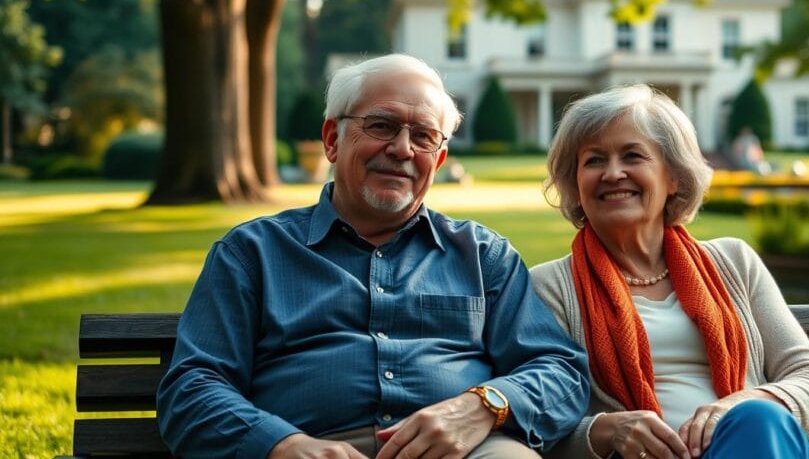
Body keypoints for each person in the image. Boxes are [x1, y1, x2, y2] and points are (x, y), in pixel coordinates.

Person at [157, 54, 589, 459]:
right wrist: (281, 445)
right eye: (382, 126)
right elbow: (192, 388)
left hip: (466, 449)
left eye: (423, 136)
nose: (402, 149)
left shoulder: (482, 256)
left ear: (437, 162)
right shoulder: (253, 254)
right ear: (332, 140)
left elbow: (560, 372)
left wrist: (483, 407)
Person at [531, 84, 809, 459]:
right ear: (576, 184)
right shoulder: (548, 288)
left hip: (755, 443)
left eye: (632, 155)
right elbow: (537, 422)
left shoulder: (734, 263)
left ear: (673, 177)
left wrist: (740, 405)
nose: (613, 173)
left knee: (757, 420)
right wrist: (606, 430)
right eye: (594, 160)